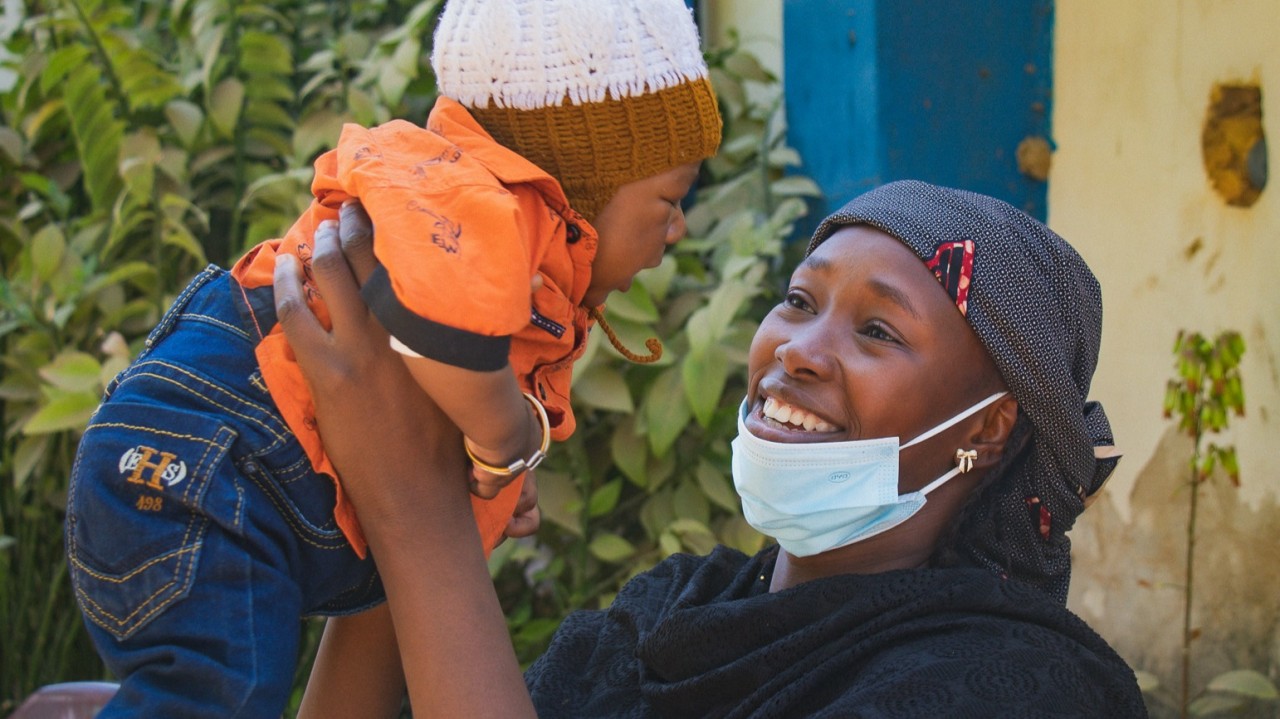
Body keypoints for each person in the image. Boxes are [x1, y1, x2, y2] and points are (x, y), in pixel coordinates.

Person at [62, 0, 721, 715]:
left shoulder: (478, 216)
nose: (678, 228)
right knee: (212, 695)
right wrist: (504, 440)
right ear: (585, 177)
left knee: (221, 690)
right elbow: (434, 333)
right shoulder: (480, 206)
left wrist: (478, 476)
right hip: (215, 465)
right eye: (670, 198)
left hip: (221, 467)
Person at [277, 180, 1148, 718]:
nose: (798, 350)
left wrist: (417, 512)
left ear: (987, 429)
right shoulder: (670, 614)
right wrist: (415, 474)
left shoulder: (1017, 684)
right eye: (800, 301)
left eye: (878, 330)